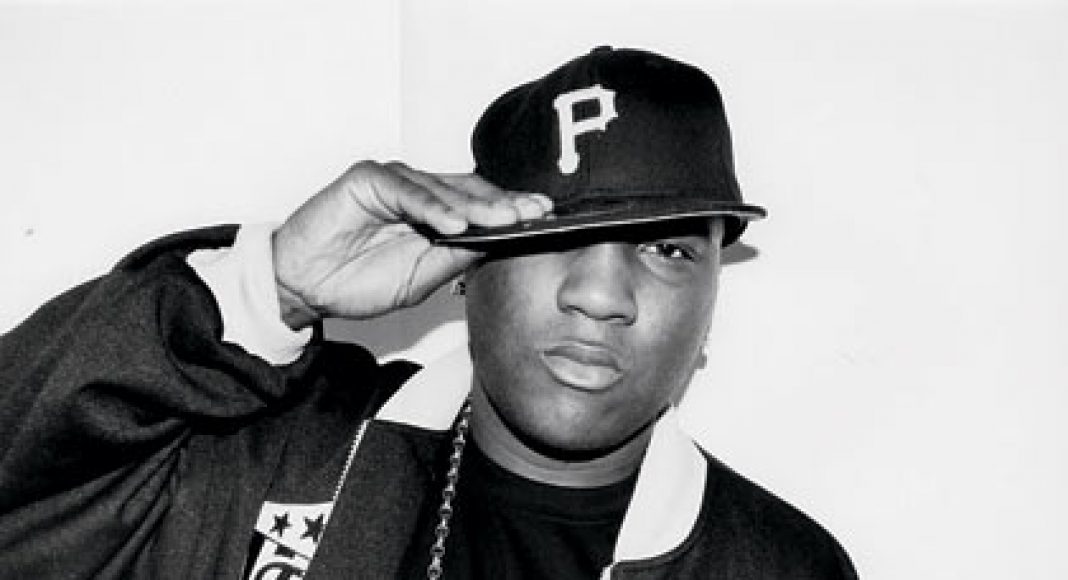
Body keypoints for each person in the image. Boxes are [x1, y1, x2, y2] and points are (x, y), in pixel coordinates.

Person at [0, 47, 856, 579]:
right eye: (549, 238)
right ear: (463, 269)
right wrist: (271, 288)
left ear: (712, 304)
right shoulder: (255, 455)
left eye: (667, 250)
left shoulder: (784, 568)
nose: (598, 295)